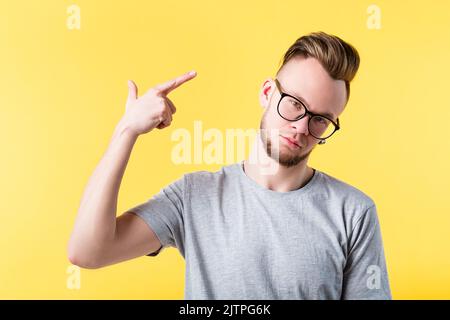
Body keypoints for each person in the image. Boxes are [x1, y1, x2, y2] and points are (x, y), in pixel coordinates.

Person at [68, 31, 392, 300]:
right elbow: (88, 251)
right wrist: (126, 131)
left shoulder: (354, 212)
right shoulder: (195, 197)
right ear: (268, 93)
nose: (302, 127)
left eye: (320, 120)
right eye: (294, 104)